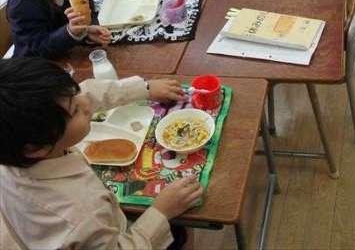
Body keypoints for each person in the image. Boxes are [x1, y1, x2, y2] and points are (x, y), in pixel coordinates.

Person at [0, 56, 203, 249]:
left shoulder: (14, 141)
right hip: (117, 238)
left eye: (75, 92)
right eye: (75, 110)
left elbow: (85, 93)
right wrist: (161, 212)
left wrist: (145, 88)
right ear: (35, 148)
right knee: (178, 231)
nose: (86, 104)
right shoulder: (82, 214)